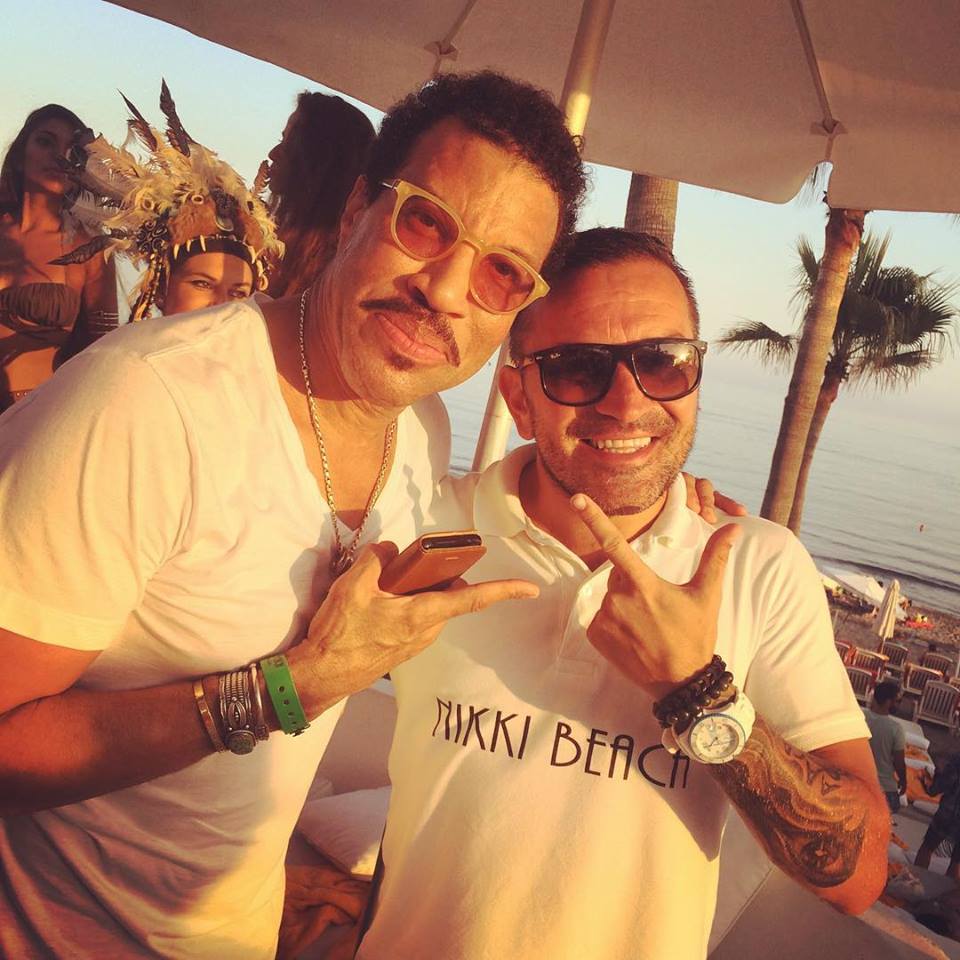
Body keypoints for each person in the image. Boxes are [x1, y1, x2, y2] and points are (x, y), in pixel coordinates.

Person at [0, 71, 586, 959]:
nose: (447, 290)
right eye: (426, 222)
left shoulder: (421, 432)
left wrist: (679, 506)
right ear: (356, 209)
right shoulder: (148, 404)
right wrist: (290, 687)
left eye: (502, 272)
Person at [359, 229, 889, 960]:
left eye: (662, 361)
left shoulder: (756, 566)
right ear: (518, 397)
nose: (627, 401)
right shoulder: (425, 524)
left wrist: (698, 692)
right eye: (578, 368)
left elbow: (857, 876)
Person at [55, 83, 284, 320]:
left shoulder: (254, 345)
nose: (220, 306)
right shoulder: (130, 346)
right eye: (202, 284)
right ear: (160, 290)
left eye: (238, 293)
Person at [0, 104, 118, 409]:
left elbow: (102, 355)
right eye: (45, 142)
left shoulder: (90, 248)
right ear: (20, 155)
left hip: (31, 418)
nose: (59, 157)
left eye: (72, 151)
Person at [262, 91, 376, 298]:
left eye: (289, 144)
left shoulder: (338, 270)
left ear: (318, 164)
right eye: (281, 139)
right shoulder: (264, 234)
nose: (273, 153)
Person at [863, 680, 908, 816]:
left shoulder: (860, 717)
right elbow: (899, 763)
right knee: (894, 805)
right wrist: (903, 780)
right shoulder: (895, 729)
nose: (899, 705)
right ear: (888, 702)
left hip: (858, 779)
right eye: (897, 701)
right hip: (883, 788)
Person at [915, 753, 960, 879]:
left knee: (927, 848)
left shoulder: (957, 761)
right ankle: (947, 890)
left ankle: (915, 882)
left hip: (947, 816)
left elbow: (936, 788)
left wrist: (936, 773)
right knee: (956, 862)